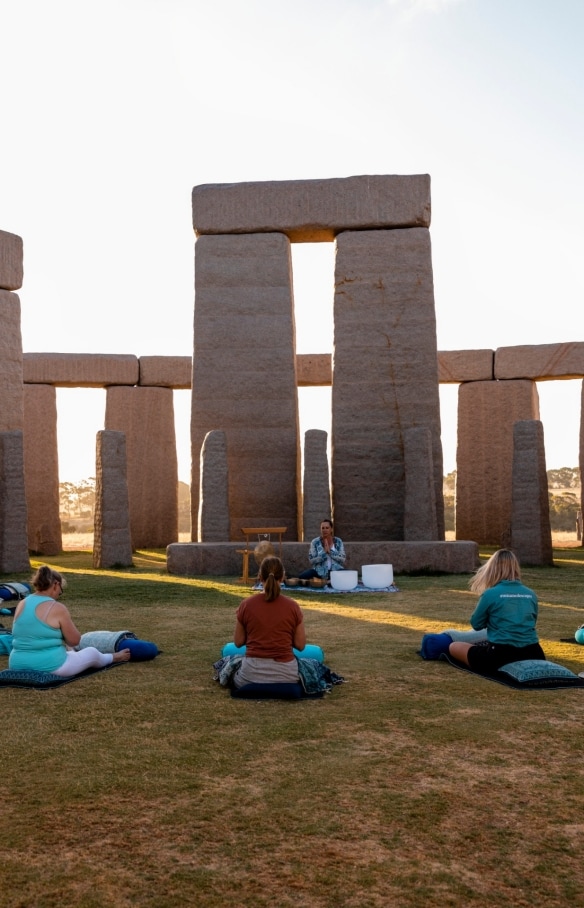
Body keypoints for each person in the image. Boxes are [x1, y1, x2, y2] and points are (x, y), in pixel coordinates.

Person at [9, 565, 131, 676]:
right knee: (92, 652)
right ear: (56, 585)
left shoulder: (22, 603)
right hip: (50, 666)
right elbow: (74, 640)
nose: (58, 595)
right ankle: (113, 658)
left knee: (71, 653)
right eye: (60, 591)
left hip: (16, 664)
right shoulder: (56, 607)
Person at [448, 549, 546, 672]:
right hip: (534, 652)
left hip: (500, 655)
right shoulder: (530, 594)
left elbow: (476, 624)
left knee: (454, 646)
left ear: (492, 569)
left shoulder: (490, 594)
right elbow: (531, 622)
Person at [232, 555, 306, 688]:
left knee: (229, 662)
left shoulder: (246, 605)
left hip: (250, 676)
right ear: (282, 577)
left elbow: (238, 642)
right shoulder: (293, 606)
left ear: (260, 577)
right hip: (287, 676)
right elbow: (300, 645)